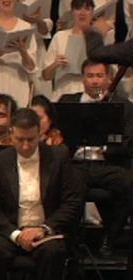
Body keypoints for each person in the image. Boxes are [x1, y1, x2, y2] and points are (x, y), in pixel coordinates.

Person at [0, 108, 82, 280]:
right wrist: (17, 235)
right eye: (20, 140)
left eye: (31, 139)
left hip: (46, 232)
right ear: (11, 134)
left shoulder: (59, 156)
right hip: (11, 232)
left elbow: (71, 202)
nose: (26, 146)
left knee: (54, 253)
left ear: (40, 133)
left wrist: (43, 228)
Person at [58, 59, 133, 256]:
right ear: (83, 79)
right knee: (69, 183)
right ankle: (69, 242)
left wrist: (105, 150)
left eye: (99, 76)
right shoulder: (67, 102)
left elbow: (127, 143)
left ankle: (111, 237)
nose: (94, 81)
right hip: (74, 164)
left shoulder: (123, 106)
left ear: (109, 79)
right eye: (90, 76)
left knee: (128, 181)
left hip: (107, 165)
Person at [0, 0, 54, 97]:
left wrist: (36, 21)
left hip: (34, 51)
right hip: (8, 53)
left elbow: (46, 29)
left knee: (37, 95)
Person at [43, 0, 106, 100]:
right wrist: (55, 64)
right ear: (72, 12)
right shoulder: (60, 36)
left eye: (86, 9)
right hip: (64, 89)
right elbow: (45, 75)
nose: (82, 13)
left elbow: (107, 72)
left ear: (92, 12)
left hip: (91, 91)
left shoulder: (97, 38)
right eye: (78, 8)